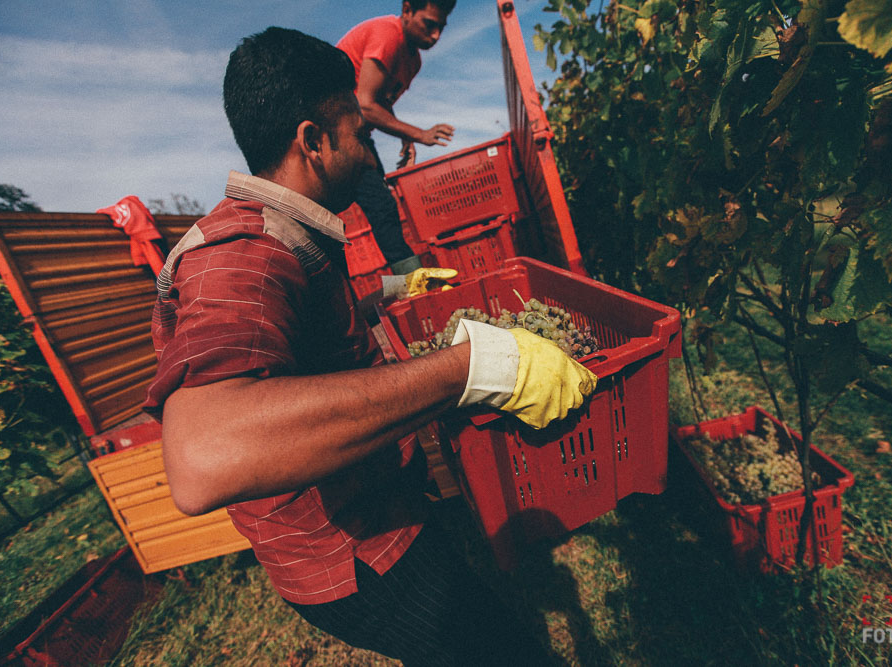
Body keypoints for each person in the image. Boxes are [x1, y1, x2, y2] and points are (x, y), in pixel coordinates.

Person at [143, 26, 596, 667]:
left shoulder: (285, 234)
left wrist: (390, 287)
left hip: (379, 511)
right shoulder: (241, 256)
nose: (368, 152)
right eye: (361, 133)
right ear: (313, 141)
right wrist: (471, 367)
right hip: (359, 555)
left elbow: (300, 335)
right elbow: (201, 457)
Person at [337, 0, 457, 273]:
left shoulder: (413, 61)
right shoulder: (387, 34)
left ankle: (406, 287)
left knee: (383, 210)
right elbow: (365, 106)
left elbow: (381, 99)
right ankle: (413, 288)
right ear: (407, 10)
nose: (436, 35)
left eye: (441, 27)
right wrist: (420, 134)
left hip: (355, 134)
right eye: (429, 24)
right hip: (332, 132)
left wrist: (406, 138)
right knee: (381, 209)